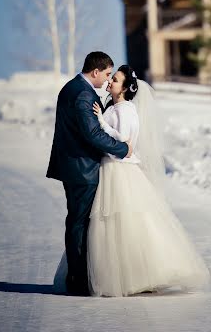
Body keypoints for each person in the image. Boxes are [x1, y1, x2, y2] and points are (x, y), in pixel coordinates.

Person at [53, 65, 210, 297]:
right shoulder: (114, 106)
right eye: (111, 78)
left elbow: (124, 143)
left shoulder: (125, 110)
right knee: (110, 225)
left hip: (119, 169)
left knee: (126, 222)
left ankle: (139, 274)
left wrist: (101, 122)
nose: (110, 82)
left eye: (115, 80)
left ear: (125, 88)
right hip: (109, 168)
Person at [46, 52, 132, 296]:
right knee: (80, 223)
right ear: (95, 71)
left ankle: (80, 277)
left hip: (72, 166)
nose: (107, 80)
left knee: (77, 221)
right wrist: (123, 148)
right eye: (106, 74)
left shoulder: (70, 88)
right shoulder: (84, 94)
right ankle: (80, 280)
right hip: (82, 168)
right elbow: (92, 134)